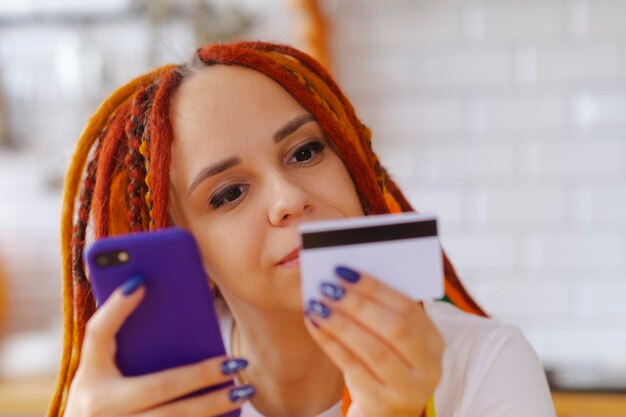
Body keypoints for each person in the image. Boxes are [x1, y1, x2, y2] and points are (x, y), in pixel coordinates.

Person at [48, 41, 555, 417]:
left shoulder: (487, 362)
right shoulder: (154, 401)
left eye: (305, 152)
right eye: (228, 194)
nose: (289, 199)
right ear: (189, 253)